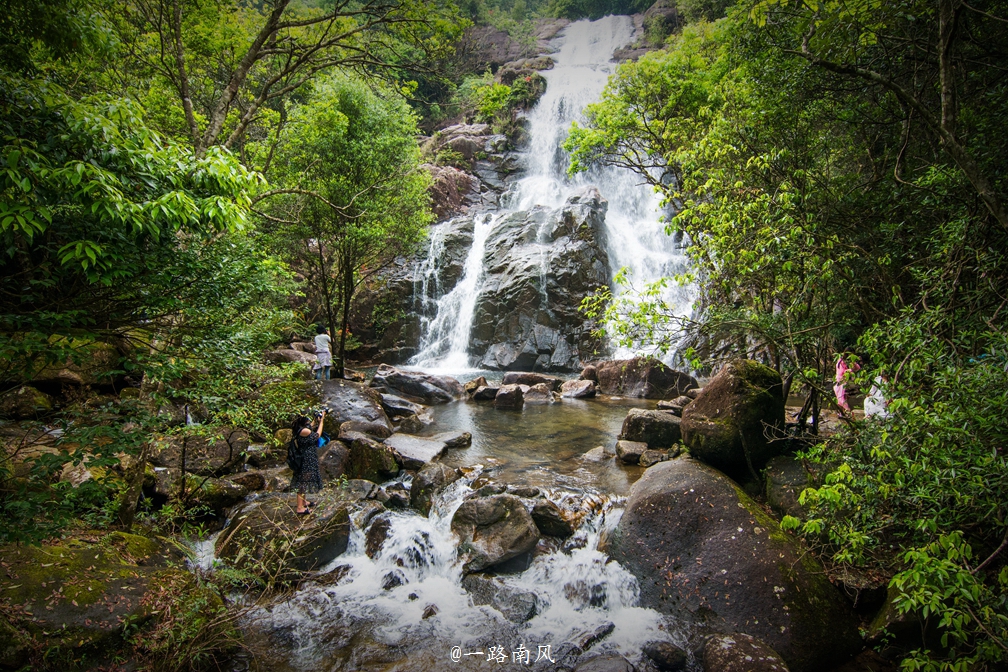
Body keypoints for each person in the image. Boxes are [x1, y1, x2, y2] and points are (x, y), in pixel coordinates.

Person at [290, 410, 325, 514]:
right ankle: (300, 507)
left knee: (305, 479)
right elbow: (317, 435)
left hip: (306, 456)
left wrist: (315, 421)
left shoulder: (299, 428)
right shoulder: (304, 431)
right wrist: (322, 421)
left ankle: (304, 502)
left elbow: (310, 427)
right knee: (303, 481)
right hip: (306, 458)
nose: (309, 421)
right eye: (307, 420)